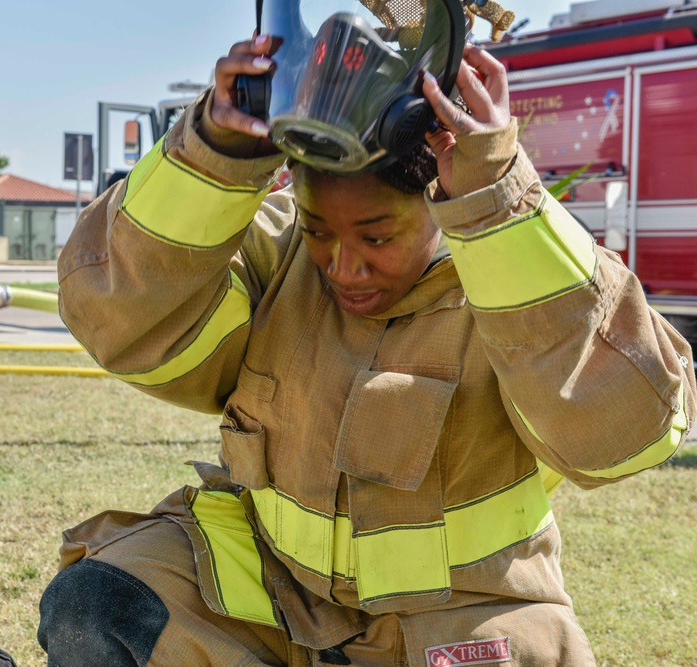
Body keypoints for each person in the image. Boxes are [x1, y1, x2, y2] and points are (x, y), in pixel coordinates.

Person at [37, 2, 696, 664]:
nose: (342, 268)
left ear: (440, 195)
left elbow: (626, 437)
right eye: (319, 230)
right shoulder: (277, 252)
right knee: (95, 604)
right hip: (270, 592)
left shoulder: (514, 280)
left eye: (377, 236)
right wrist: (214, 156)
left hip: (459, 614)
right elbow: (117, 314)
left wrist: (498, 199)